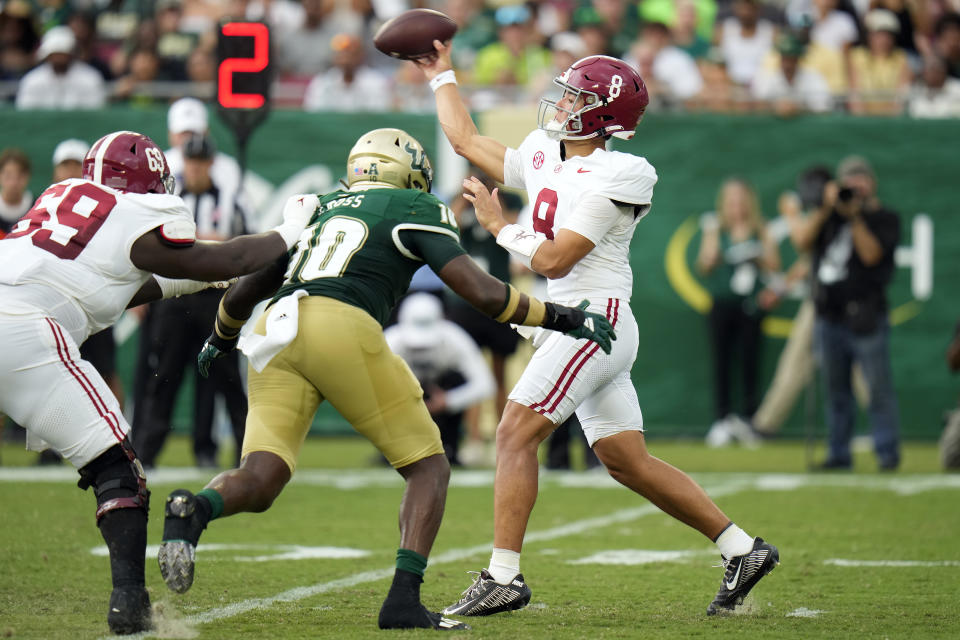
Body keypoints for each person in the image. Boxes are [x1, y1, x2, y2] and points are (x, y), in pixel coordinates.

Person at [155, 128, 614, 631]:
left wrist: (220, 338)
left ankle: (195, 509)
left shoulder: (321, 205)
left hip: (274, 332)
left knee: (262, 478)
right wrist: (557, 315)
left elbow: (256, 281)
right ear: (409, 172)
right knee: (429, 468)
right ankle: (402, 601)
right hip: (340, 323)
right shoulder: (413, 207)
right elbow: (480, 292)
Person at [415, 44, 779, 617]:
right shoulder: (543, 150)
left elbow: (557, 259)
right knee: (625, 459)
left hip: (593, 319)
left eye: (577, 96)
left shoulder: (623, 171)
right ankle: (743, 549)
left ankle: (503, 575)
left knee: (513, 434)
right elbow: (465, 140)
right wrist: (442, 76)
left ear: (604, 114)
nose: (562, 102)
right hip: (574, 319)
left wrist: (500, 228)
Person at [0, 130, 314, 634]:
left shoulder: (58, 196)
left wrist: (195, 278)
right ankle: (130, 602)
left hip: (15, 306)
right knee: (117, 471)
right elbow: (225, 260)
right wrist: (290, 228)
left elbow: (109, 289)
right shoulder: (135, 211)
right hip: (22, 327)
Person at [133, 133, 251, 469]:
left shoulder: (231, 199)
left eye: (202, 162)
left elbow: (250, 243)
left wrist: (218, 243)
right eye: (191, 162)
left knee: (226, 377)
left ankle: (243, 452)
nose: (196, 168)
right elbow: (151, 245)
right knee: (164, 375)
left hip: (215, 297)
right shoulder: (170, 199)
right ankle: (146, 452)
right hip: (175, 296)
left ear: (211, 164)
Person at [792, 155, 901, 471]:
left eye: (861, 179)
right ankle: (839, 453)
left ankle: (887, 453)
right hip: (829, 315)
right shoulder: (828, 216)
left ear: (872, 183)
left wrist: (854, 217)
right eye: (848, 181)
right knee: (836, 391)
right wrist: (827, 208)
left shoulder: (885, 218)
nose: (855, 187)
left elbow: (871, 256)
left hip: (867, 315)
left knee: (878, 389)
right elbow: (802, 242)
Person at [697, 178, 780, 447]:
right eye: (731, 202)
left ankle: (749, 420)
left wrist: (755, 254)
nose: (736, 207)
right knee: (721, 363)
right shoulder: (715, 228)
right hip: (722, 305)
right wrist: (715, 251)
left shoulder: (760, 228)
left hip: (750, 306)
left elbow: (774, 264)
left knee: (749, 363)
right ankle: (722, 420)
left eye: (740, 201)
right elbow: (704, 264)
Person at [386, 292, 496, 466]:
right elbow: (370, 387)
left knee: (456, 379)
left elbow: (485, 384)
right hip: (403, 403)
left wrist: (448, 401)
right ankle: (394, 449)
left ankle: (449, 447)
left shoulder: (456, 340)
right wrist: (407, 402)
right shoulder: (391, 342)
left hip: (443, 401)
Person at [15, 25, 106, 109]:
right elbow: (25, 111)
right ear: (47, 55)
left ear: (72, 53)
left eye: (63, 53)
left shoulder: (90, 78)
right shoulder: (32, 80)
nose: (59, 58)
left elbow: (96, 112)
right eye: (55, 54)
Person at [0, 147, 32, 236]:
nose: (13, 182)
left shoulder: (37, 208)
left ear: (27, 177)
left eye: (19, 176)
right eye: (8, 175)